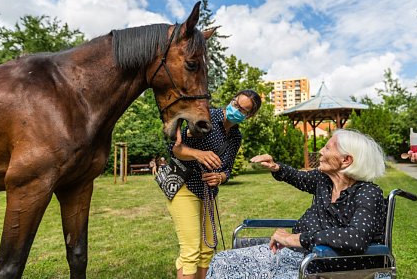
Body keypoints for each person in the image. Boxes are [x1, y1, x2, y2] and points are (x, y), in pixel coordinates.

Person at [206, 129, 387, 278]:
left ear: (346, 160)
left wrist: (296, 239)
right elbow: (298, 177)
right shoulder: (323, 180)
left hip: (332, 267)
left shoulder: (368, 193)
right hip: (301, 256)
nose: (321, 152)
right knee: (222, 261)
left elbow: (355, 237)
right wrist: (276, 167)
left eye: (327, 148)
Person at [166, 90, 262, 279]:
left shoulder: (236, 137)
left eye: (242, 110)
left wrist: (220, 178)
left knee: (208, 249)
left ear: (248, 116)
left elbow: (228, 170)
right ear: (231, 99)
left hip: (208, 192)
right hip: (183, 186)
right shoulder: (205, 117)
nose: (236, 109)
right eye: (235, 103)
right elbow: (174, 148)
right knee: (191, 251)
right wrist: (198, 154)